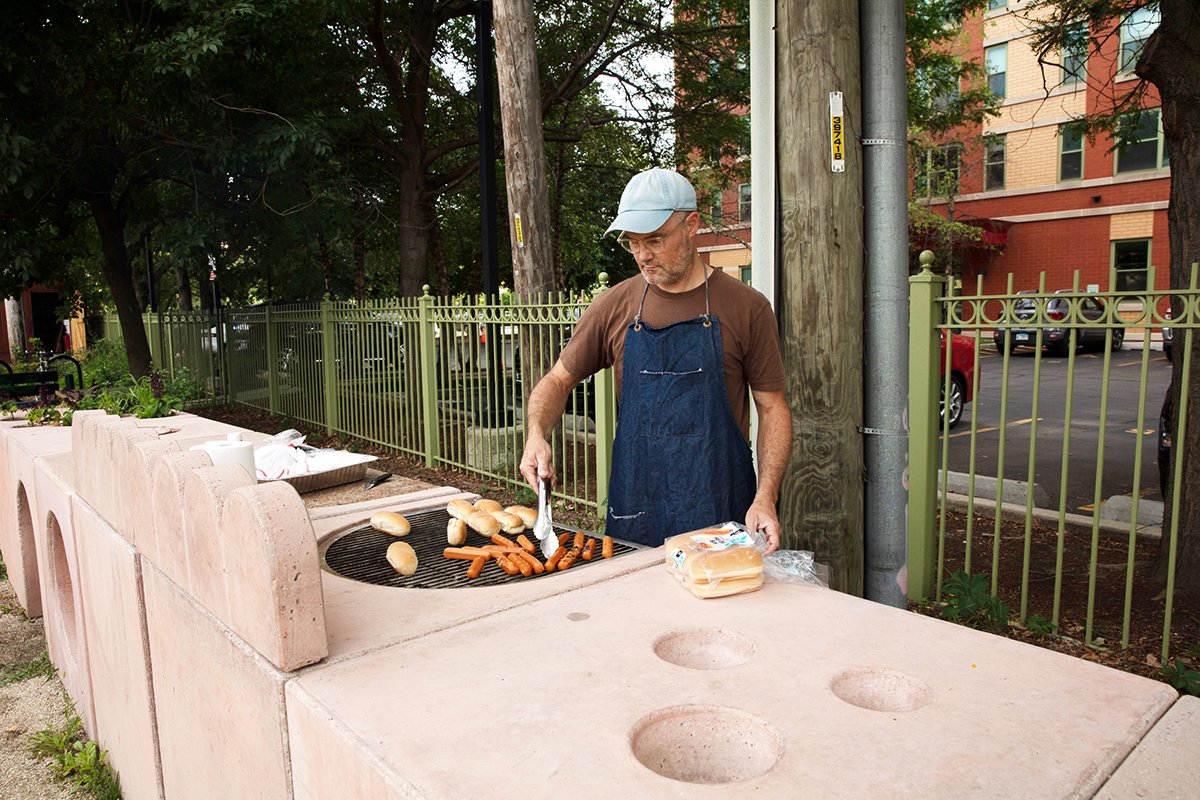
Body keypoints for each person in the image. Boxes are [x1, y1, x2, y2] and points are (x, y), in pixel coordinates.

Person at [519, 168, 792, 553]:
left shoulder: (747, 308)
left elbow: (772, 407)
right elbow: (558, 380)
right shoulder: (614, 306)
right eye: (632, 243)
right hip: (637, 510)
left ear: (692, 224)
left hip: (721, 512)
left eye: (655, 240)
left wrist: (766, 496)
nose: (643, 255)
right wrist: (536, 434)